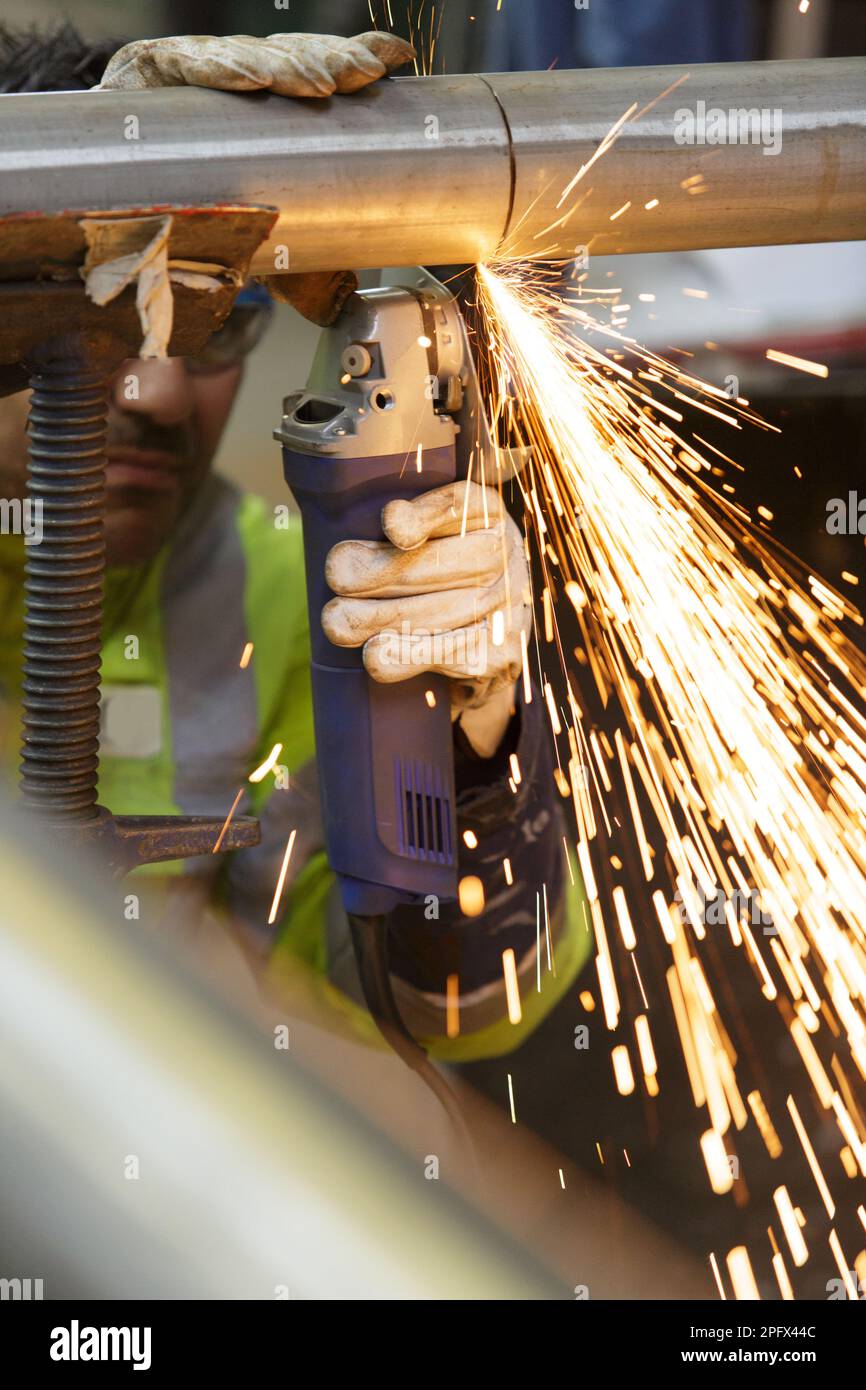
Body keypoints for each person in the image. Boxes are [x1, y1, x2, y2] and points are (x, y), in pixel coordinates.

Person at [0, 24, 590, 1059]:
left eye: (208, 317)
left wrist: (473, 761)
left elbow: (454, 1016)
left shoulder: (309, 597)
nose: (162, 385)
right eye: (99, 306)